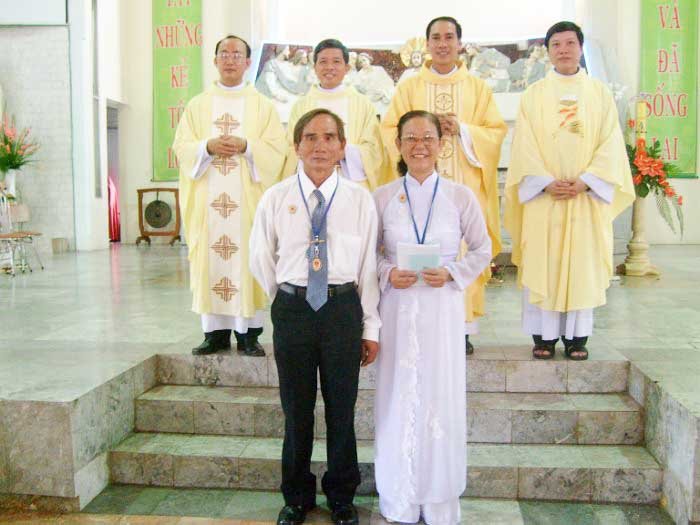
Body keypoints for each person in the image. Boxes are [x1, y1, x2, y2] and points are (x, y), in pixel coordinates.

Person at [249, 108, 380, 525]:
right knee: (296, 408)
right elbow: (260, 257)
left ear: (342, 147)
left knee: (342, 408)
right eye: (310, 137)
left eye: (329, 138)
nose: (320, 146)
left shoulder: (360, 199)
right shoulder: (276, 197)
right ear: (296, 146)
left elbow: (369, 268)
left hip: (342, 309)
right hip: (294, 310)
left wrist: (370, 327)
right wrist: (286, 298)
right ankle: (297, 496)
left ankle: (341, 496)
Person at [373, 110, 491, 524]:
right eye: (410, 138)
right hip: (398, 307)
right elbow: (368, 255)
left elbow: (483, 248)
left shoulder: (460, 196)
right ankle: (400, 496)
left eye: (428, 137)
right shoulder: (382, 197)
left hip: (442, 308)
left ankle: (439, 498)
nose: (419, 145)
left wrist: (453, 272)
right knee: (397, 392)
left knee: (440, 394)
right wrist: (388, 272)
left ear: (441, 144)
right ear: (398, 145)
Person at [504, 21, 634, 361]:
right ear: (548, 51)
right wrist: (544, 181)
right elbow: (524, 144)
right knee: (543, 264)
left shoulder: (599, 93)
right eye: (556, 44)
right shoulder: (533, 95)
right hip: (544, 199)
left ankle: (578, 338)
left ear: (580, 48)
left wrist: (587, 180)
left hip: (584, 199)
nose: (563, 49)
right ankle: (543, 337)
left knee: (582, 266)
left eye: (570, 43)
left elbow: (610, 142)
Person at [381, 16, 507, 354]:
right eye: (435, 37)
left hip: (462, 187)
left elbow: (495, 134)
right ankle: (413, 322)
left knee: (460, 248)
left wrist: (463, 130)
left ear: (459, 43)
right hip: (418, 187)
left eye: (449, 37)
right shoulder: (409, 88)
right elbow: (389, 131)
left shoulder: (478, 88)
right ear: (427, 44)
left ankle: (462, 329)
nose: (442, 44)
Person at [173, 35, 286, 357]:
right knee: (211, 263)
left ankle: (249, 334)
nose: (230, 59)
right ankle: (214, 334)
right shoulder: (198, 105)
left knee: (248, 262)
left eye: (237, 54)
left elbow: (278, 149)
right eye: (224, 53)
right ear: (215, 60)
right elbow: (181, 146)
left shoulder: (262, 106)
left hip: (246, 205)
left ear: (248, 62)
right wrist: (206, 147)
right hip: (207, 205)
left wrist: (248, 146)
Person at [282, 39, 385, 190]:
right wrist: (316, 154)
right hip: (311, 184)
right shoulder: (301, 106)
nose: (329, 67)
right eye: (323, 62)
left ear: (347, 67)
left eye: (336, 62)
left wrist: (343, 152)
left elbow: (374, 150)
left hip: (352, 186)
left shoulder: (363, 104)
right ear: (315, 67)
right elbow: (292, 148)